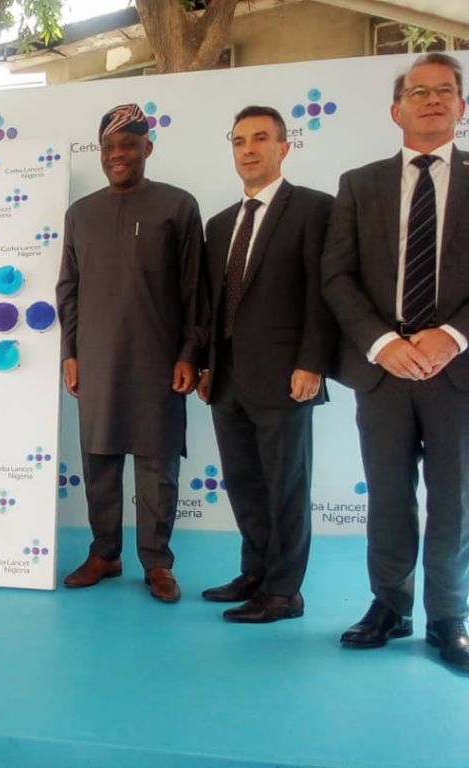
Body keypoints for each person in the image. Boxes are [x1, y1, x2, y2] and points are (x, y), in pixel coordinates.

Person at [322, 53, 469, 672]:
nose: (431, 100)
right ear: (396, 109)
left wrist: (453, 336)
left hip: (457, 371)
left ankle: (448, 615)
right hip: (382, 369)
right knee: (387, 494)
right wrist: (384, 343)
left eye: (445, 91)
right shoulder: (359, 183)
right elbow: (337, 275)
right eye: (419, 92)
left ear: (460, 107)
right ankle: (389, 604)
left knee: (455, 497)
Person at [56, 104, 205, 602]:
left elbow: (194, 290)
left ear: (148, 148)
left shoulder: (178, 206)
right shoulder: (81, 213)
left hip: (159, 358)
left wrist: (189, 353)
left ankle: (157, 563)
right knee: (99, 462)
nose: (117, 154)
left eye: (128, 145)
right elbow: (68, 289)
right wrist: (70, 352)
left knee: (157, 465)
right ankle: (104, 553)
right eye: (109, 147)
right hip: (96, 356)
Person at [197, 106, 335, 623]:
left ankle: (283, 592)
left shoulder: (315, 210)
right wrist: (207, 365)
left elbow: (323, 295)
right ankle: (255, 572)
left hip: (286, 376)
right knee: (245, 482)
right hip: (226, 377)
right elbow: (213, 304)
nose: (248, 149)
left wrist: (312, 362)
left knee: (286, 485)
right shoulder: (219, 224)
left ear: (284, 147)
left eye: (260, 138)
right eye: (238, 141)